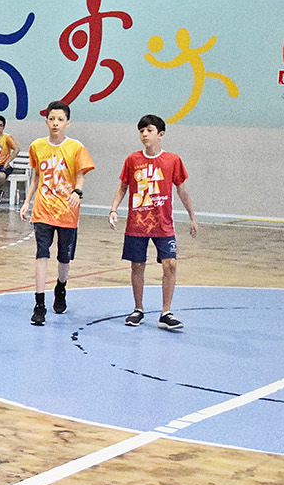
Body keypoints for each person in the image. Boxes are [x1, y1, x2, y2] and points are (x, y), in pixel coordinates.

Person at [107, 114, 198, 330]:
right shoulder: (132, 160)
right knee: (137, 265)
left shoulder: (172, 160)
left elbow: (182, 189)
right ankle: (138, 309)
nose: (145, 134)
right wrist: (113, 209)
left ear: (161, 134)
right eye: (141, 131)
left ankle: (166, 312)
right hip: (137, 224)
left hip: (163, 224)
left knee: (170, 264)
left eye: (149, 130)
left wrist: (192, 217)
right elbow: (123, 187)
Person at [19, 101, 94, 325]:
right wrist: (27, 202)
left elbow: (80, 175)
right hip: (43, 209)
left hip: (67, 211)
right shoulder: (37, 146)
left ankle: (60, 287)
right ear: (46, 121)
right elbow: (36, 177)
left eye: (60, 120)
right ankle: (39, 303)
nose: (55, 123)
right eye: (51, 119)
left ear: (67, 123)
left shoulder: (76, 147)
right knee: (41, 253)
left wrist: (77, 192)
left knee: (64, 257)